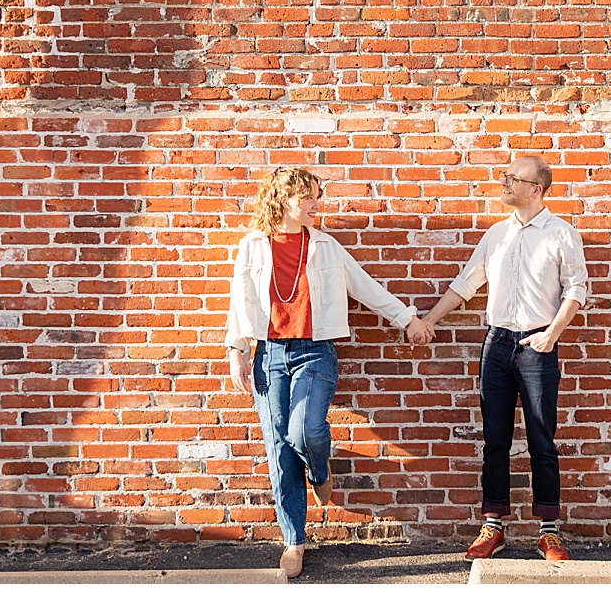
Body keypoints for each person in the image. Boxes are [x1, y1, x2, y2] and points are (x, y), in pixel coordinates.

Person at [226, 167, 431, 578]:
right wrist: (237, 349)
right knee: (279, 448)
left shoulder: (326, 246)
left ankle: (321, 472)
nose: (317, 205)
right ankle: (294, 540)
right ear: (283, 200)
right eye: (308, 198)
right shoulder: (252, 246)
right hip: (269, 355)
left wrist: (407, 318)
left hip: (315, 352)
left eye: (318, 196)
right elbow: (239, 298)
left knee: (305, 431)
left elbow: (366, 287)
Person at [415, 156, 587, 562]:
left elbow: (577, 289)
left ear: (536, 189)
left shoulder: (562, 234)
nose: (504, 182)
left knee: (542, 440)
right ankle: (493, 525)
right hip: (496, 347)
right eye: (506, 176)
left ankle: (549, 531)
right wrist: (427, 320)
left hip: (537, 347)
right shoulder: (496, 234)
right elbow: (466, 284)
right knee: (495, 440)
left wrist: (552, 334)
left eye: (514, 178)